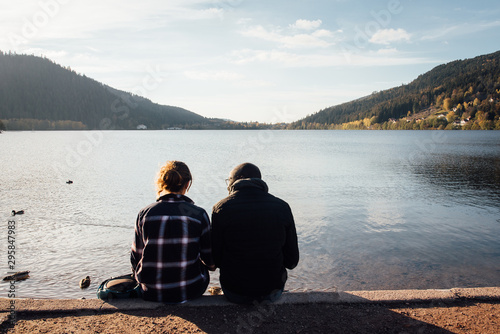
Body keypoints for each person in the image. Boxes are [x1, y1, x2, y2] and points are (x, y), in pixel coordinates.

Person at [211, 163, 299, 304]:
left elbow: (216, 259)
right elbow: (292, 261)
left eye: (229, 180)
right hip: (272, 292)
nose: (228, 186)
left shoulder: (221, 208)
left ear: (238, 178)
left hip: (234, 292)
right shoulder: (282, 207)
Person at [131, 161, 215, 303]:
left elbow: (136, 257)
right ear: (187, 184)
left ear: (161, 183)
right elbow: (209, 259)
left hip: (151, 292)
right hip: (189, 290)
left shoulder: (145, 214)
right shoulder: (198, 214)